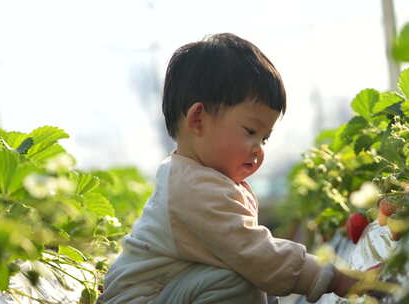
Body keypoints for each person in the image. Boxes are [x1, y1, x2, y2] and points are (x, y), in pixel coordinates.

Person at [98, 33, 365, 304]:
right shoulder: (192, 188)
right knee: (236, 280)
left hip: (167, 292)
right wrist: (334, 278)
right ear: (198, 119)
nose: (259, 148)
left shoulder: (200, 179)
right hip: (140, 299)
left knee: (245, 277)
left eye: (264, 138)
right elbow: (254, 253)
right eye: (250, 131)